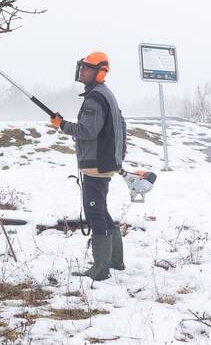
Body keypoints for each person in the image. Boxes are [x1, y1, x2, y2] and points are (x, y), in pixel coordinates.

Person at [51, 52, 126, 281]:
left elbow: (88, 131)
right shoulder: (105, 94)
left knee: (94, 211)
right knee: (101, 210)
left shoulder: (95, 97)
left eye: (87, 68)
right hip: (103, 162)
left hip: (96, 164)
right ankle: (114, 261)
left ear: (99, 72)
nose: (82, 71)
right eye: (82, 67)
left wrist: (62, 125)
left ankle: (101, 269)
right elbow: (120, 124)